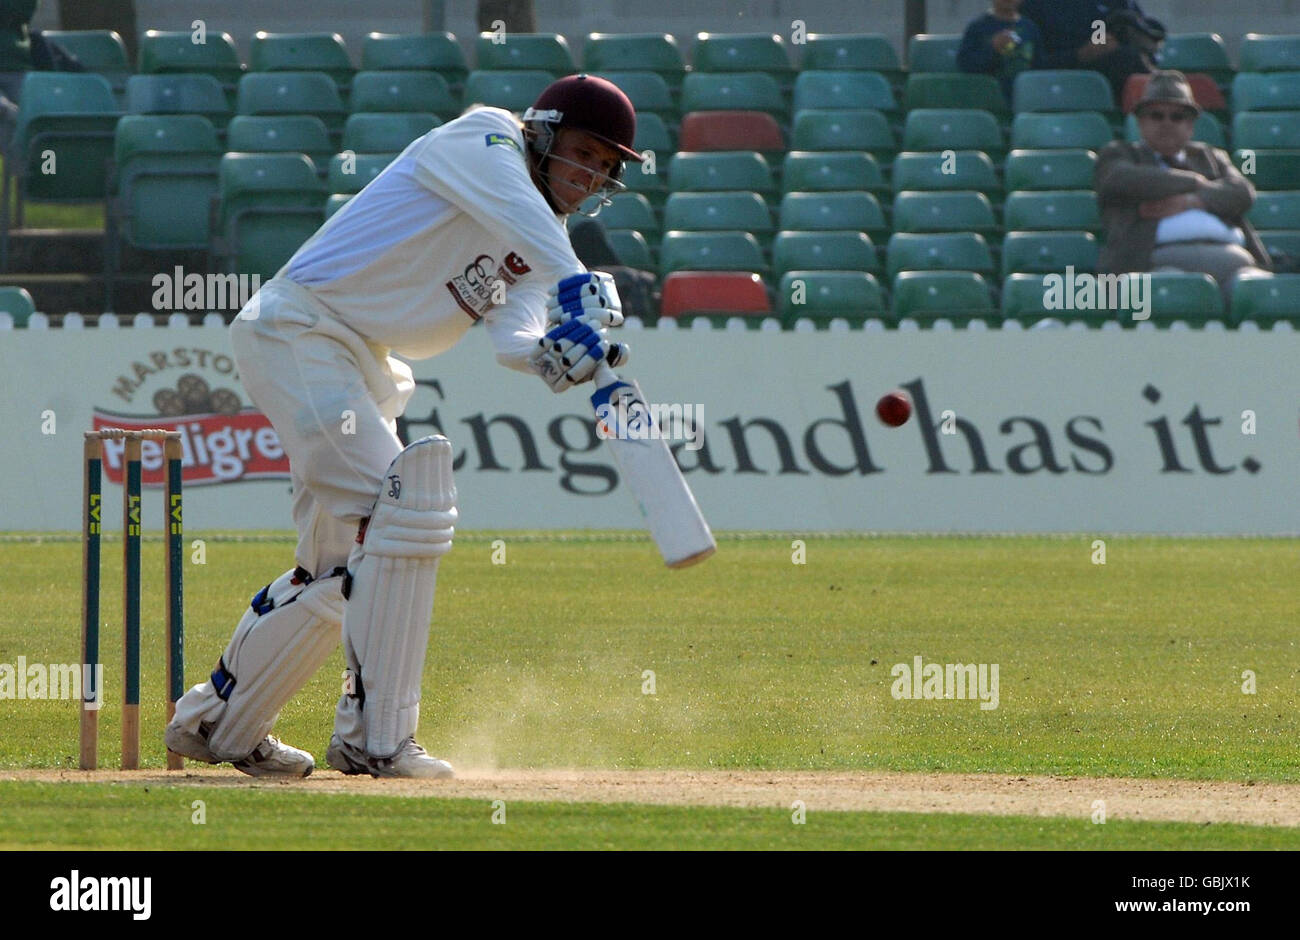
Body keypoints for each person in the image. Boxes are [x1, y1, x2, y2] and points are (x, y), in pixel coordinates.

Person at [165, 74, 640, 778]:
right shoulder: (482, 139)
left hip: (363, 366)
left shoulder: (546, 247)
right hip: (302, 330)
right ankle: (375, 740)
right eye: (583, 153)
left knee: (335, 567)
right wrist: (579, 278)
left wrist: (553, 356)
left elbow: (515, 334)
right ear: (541, 132)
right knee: (402, 512)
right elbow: (531, 223)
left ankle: (219, 724)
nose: (589, 175)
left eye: (605, 169)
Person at [1094, 71, 1270, 302]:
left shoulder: (1210, 156)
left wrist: (1190, 201)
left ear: (1191, 125)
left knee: (1257, 293)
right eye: (1156, 116)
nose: (1167, 123)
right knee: (1171, 294)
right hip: (1153, 262)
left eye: (1177, 117)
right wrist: (1194, 182)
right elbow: (1119, 180)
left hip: (1233, 262)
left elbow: (1241, 193)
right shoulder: (1120, 154)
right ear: (1141, 122)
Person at [1021, 0, 1164, 99]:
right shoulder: (1035, 5)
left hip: (1118, 71)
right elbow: (1031, 63)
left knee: (1132, 61)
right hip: (1061, 78)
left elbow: (1146, 31)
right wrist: (1079, 55)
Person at [956, 0, 1044, 102]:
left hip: (1025, 99)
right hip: (989, 101)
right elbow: (965, 65)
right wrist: (992, 49)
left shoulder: (1030, 28)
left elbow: (1039, 67)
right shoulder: (977, 28)